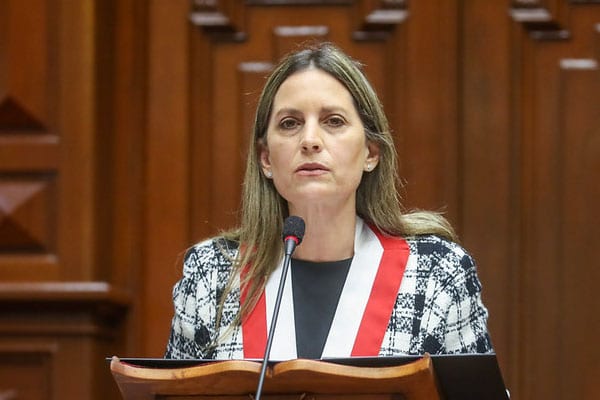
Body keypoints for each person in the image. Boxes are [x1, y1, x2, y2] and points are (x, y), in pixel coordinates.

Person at [165, 42, 493, 360]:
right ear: (265, 159)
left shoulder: (435, 274)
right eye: (290, 123)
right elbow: (173, 389)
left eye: (333, 121)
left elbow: (474, 389)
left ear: (371, 153)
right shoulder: (213, 275)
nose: (310, 140)